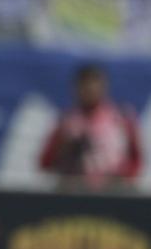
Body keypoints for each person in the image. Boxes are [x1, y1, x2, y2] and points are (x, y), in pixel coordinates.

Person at [39, 64, 143, 192]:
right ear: (76, 88)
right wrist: (67, 147)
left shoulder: (121, 118)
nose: (90, 90)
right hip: (74, 190)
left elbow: (136, 159)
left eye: (94, 84)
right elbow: (45, 162)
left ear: (104, 87)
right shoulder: (66, 122)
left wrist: (122, 176)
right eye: (85, 85)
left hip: (113, 190)